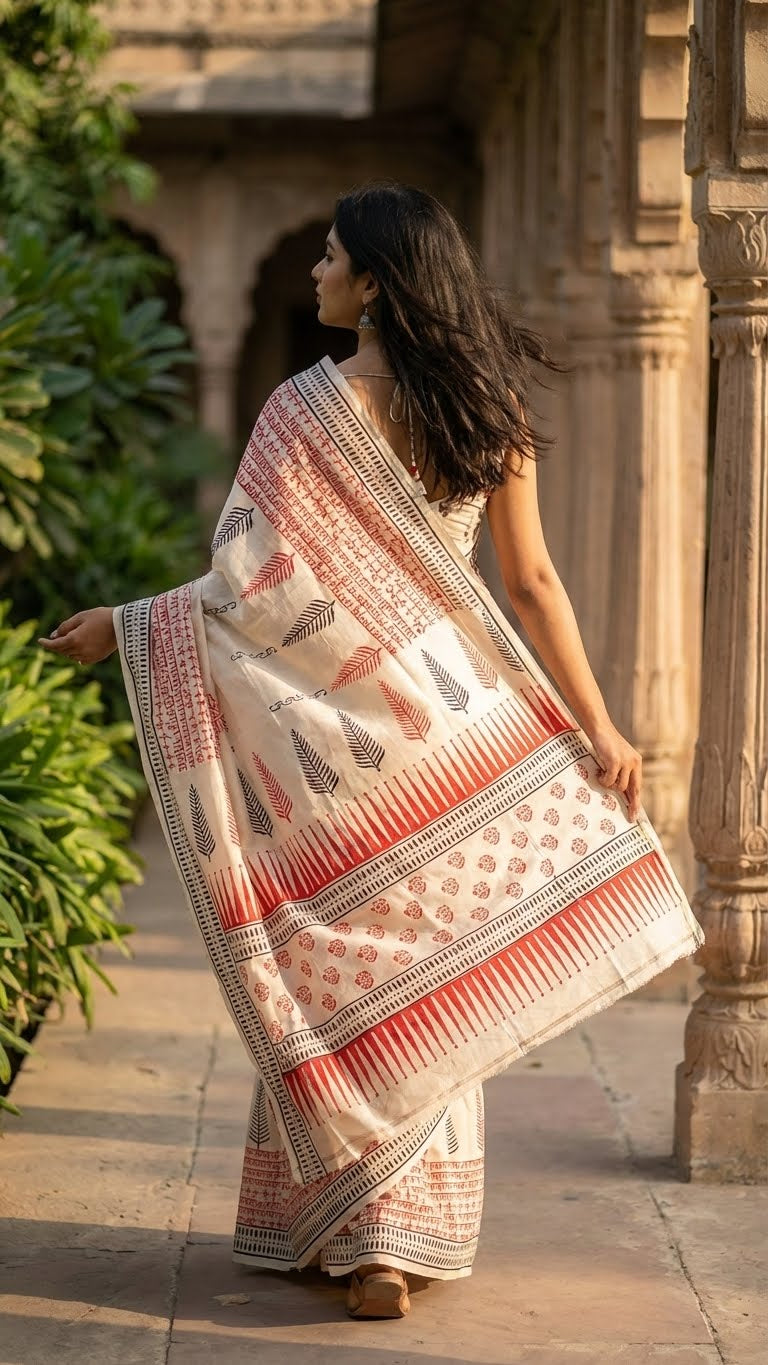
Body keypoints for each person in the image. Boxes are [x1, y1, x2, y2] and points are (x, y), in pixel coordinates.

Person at [39, 182, 703, 1320]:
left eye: (333, 257)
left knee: (339, 978)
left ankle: (345, 1233)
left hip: (339, 759)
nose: (316, 272)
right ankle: (398, 1246)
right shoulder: (484, 406)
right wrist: (598, 725)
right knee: (434, 981)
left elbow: (253, 595)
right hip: (448, 736)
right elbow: (533, 585)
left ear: (376, 285)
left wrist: (125, 625)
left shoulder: (303, 411)